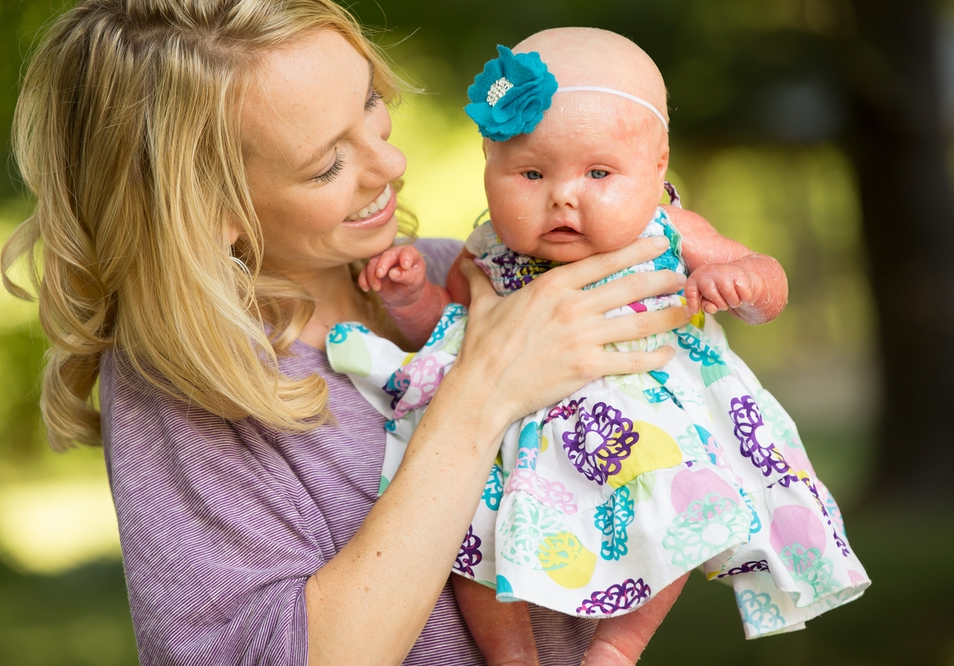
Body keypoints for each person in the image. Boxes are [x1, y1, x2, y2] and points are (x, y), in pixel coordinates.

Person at [0, 3, 698, 664]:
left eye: (370, 103)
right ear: (210, 213)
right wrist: (480, 396)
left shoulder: (457, 276)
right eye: (327, 163)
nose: (392, 165)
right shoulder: (191, 378)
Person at [333, 28, 870, 666]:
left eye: (598, 173)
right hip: (510, 439)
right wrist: (410, 298)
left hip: (649, 431)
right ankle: (512, 655)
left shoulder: (668, 230)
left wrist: (742, 281)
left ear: (657, 166)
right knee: (468, 533)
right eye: (531, 173)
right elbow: (449, 329)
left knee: (679, 519)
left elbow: (768, 282)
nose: (563, 195)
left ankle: (617, 649)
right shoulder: (484, 253)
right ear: (488, 163)